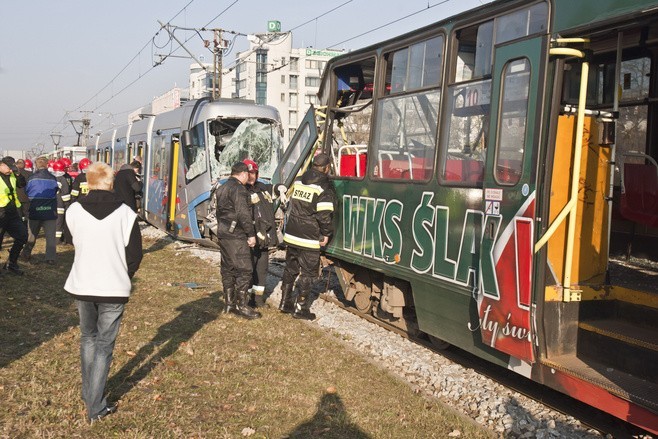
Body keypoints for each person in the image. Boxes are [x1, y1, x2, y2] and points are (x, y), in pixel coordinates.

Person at [64, 162, 142, 423]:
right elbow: (135, 255)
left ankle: (90, 395)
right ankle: (95, 407)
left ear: (88, 181)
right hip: (113, 287)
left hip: (82, 284)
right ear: (110, 182)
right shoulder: (126, 214)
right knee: (104, 346)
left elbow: (73, 240)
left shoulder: (74, 210)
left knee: (88, 338)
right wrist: (123, 275)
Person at [279, 153, 336, 320]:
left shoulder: (298, 180)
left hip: (292, 233)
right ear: (327, 168)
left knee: (291, 268)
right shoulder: (324, 187)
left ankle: (284, 302)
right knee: (309, 273)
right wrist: (326, 233)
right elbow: (324, 216)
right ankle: (301, 307)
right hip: (309, 236)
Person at [215, 162, 260, 319]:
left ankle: (229, 304)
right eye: (248, 174)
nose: (249, 176)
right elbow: (243, 214)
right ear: (243, 174)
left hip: (223, 232)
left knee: (227, 269)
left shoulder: (222, 187)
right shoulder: (239, 189)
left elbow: (218, 212)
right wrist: (251, 234)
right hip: (236, 235)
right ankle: (242, 306)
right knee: (245, 269)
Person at [243, 159, 279, 307]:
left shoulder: (262, 187)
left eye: (254, 173)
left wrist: (280, 188)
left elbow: (274, 189)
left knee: (262, 269)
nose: (252, 176)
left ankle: (257, 300)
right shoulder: (240, 191)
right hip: (249, 238)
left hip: (263, 238)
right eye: (249, 173)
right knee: (248, 269)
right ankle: (245, 299)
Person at [22, 157, 59, 265]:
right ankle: (50, 258)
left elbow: (26, 191)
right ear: (47, 165)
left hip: (35, 211)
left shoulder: (31, 178)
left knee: (31, 235)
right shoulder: (53, 178)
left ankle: (26, 254)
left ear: (36, 165)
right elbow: (56, 190)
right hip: (50, 211)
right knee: (50, 236)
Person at [0, 156, 28, 275]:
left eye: (12, 168)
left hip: (12, 212)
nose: (11, 170)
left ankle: (12, 263)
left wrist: (18, 174)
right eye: (9, 167)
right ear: (1, 165)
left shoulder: (12, 174)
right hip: (1, 212)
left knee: (22, 236)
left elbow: (22, 184)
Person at [51, 160, 71, 243]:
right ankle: (57, 240)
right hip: (60, 205)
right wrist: (67, 204)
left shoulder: (50, 178)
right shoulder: (63, 179)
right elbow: (65, 194)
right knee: (59, 223)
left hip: (50, 204)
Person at [15, 159, 32, 224]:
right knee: (27, 214)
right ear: (24, 165)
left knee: (18, 215)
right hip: (26, 197)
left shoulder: (13, 174)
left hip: (17, 197)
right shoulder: (30, 174)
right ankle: (28, 227)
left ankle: (20, 227)